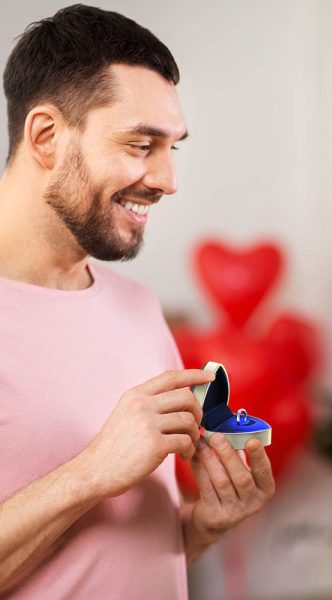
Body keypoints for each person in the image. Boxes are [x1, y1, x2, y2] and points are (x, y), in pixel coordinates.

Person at [0, 5, 275, 598]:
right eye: (141, 144)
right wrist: (94, 470)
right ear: (47, 136)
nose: (168, 179)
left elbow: (115, 554)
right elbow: (101, 476)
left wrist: (203, 526)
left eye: (172, 147)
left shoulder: (137, 307)